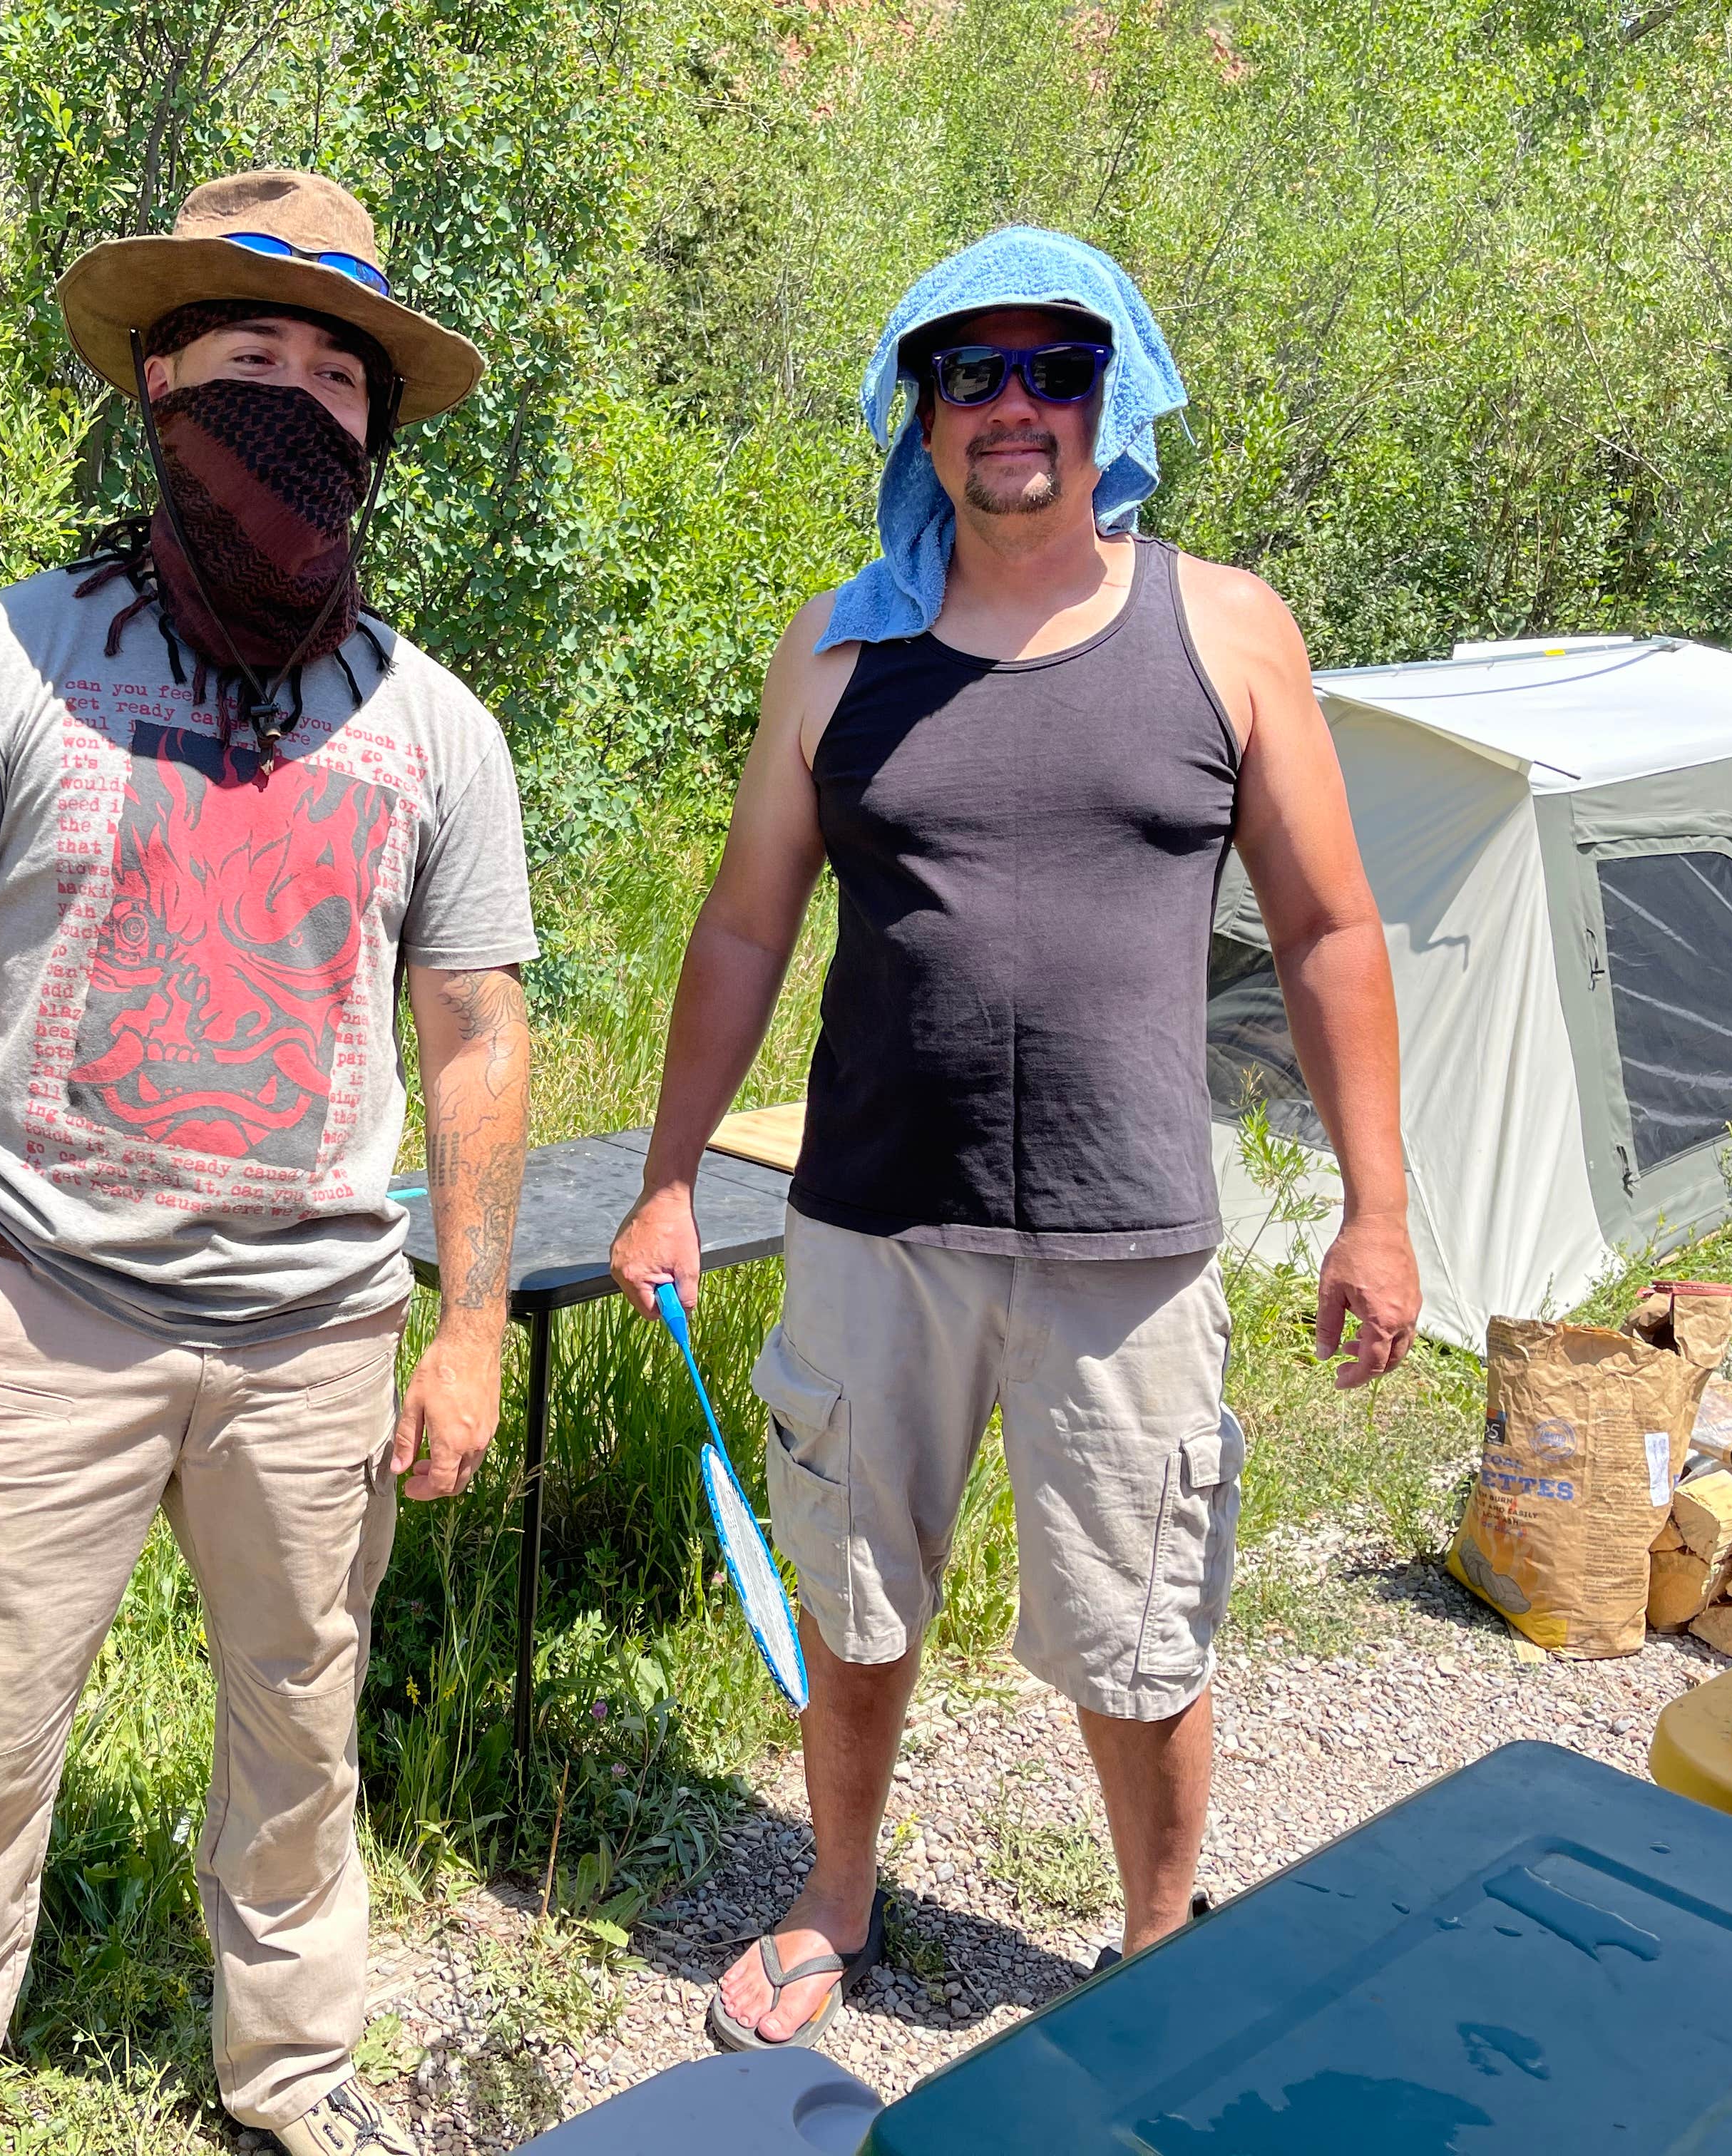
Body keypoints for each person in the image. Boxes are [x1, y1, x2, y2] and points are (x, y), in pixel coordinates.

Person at [608, 228, 1420, 2051]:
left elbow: (1329, 929)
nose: (1013, 404)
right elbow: (746, 924)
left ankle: (1154, 1952)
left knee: (1139, 1630)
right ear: (923, 409)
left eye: (1054, 365)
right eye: (968, 372)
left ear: (1111, 390)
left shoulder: (1225, 628)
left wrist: (1380, 1207)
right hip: (871, 1226)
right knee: (856, 1593)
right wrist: (665, 1180)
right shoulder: (838, 645)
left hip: (1127, 1242)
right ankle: (834, 1901)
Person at [0, 169, 533, 2156]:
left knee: (303, 1753)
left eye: (337, 371)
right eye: (250, 358)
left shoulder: (436, 732)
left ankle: (295, 2082)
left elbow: (474, 1039)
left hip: (315, 1338)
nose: (299, 404)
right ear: (156, 379)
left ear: (382, 422)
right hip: (38, 1314)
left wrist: (465, 1328)